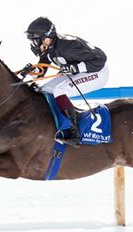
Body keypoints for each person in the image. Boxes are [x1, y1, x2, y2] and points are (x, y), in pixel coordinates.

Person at [20, 17, 109, 146]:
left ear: (46, 39)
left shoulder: (68, 47)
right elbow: (43, 68)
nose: (33, 45)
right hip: (81, 71)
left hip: (97, 72)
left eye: (35, 41)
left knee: (60, 90)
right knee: (44, 90)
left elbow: (100, 60)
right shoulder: (49, 47)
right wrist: (32, 71)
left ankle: (74, 133)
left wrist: (74, 67)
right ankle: (56, 124)